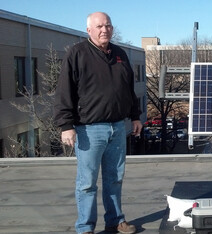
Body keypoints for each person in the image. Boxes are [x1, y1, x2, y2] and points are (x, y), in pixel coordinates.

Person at [53, 12, 142, 234]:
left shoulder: (120, 54)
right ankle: (85, 227)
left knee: (115, 178)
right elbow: (64, 91)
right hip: (89, 130)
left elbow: (128, 89)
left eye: (108, 25)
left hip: (118, 127)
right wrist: (66, 125)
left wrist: (135, 116)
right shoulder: (77, 54)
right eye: (100, 26)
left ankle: (115, 220)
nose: (105, 30)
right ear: (89, 30)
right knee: (87, 182)